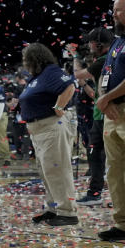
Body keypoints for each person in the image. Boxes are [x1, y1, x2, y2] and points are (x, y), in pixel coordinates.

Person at [19, 43, 78, 226]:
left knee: (57, 169)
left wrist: (59, 106)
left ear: (35, 58)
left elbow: (70, 87)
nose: (24, 62)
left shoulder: (51, 71)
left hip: (52, 126)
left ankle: (68, 212)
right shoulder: (37, 77)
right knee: (47, 171)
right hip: (39, 130)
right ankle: (54, 209)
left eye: (26, 59)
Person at [95, 0, 125, 243]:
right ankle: (122, 223)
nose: (113, 15)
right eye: (113, 10)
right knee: (114, 171)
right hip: (112, 114)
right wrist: (103, 99)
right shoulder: (116, 44)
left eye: (118, 11)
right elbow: (105, 75)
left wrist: (107, 99)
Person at [76, 27, 113, 205]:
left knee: (97, 154)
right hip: (102, 114)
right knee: (97, 154)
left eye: (91, 42)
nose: (89, 45)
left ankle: (95, 193)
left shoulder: (104, 61)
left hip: (104, 115)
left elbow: (79, 75)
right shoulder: (109, 59)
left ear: (98, 44)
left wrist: (75, 57)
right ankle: (96, 193)